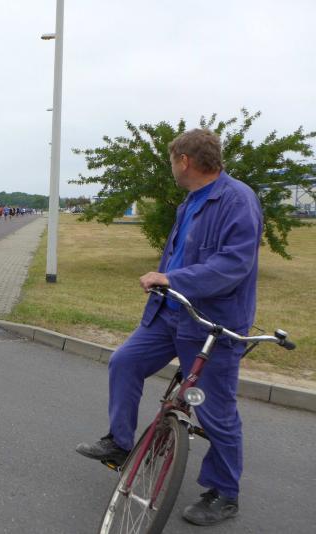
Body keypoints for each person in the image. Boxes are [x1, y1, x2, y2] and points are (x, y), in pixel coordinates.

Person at [75, 129, 263, 527]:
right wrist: (167, 283)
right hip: (169, 315)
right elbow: (178, 254)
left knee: (215, 411)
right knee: (124, 362)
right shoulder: (189, 202)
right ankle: (120, 443)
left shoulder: (237, 199)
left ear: (184, 161)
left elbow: (234, 264)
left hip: (211, 324)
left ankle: (224, 492)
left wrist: (172, 279)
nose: (171, 168)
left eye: (171, 161)